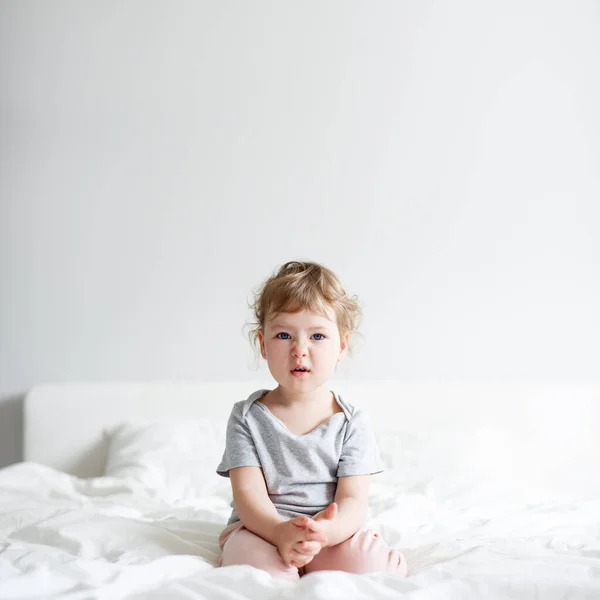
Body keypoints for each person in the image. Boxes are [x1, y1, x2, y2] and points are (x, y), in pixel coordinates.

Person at [216, 261, 407, 581]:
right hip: (263, 529)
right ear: (263, 344)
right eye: (283, 335)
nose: (299, 350)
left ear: (341, 346)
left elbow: (352, 500)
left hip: (330, 532)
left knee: (367, 569)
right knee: (252, 569)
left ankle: (333, 559)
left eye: (317, 335)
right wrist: (279, 532)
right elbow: (248, 495)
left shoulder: (351, 422)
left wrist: (324, 533)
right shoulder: (247, 417)